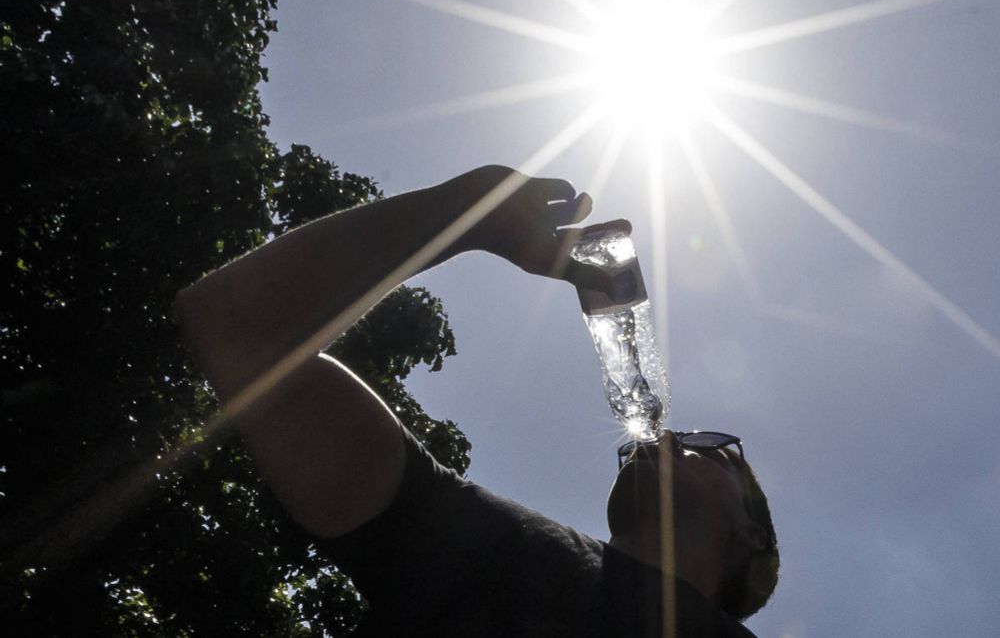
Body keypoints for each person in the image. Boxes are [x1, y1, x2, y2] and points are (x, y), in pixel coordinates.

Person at [175, 165, 779, 636]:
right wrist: (466, 215)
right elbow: (233, 323)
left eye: (711, 448)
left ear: (751, 533)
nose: (671, 437)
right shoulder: (470, 543)